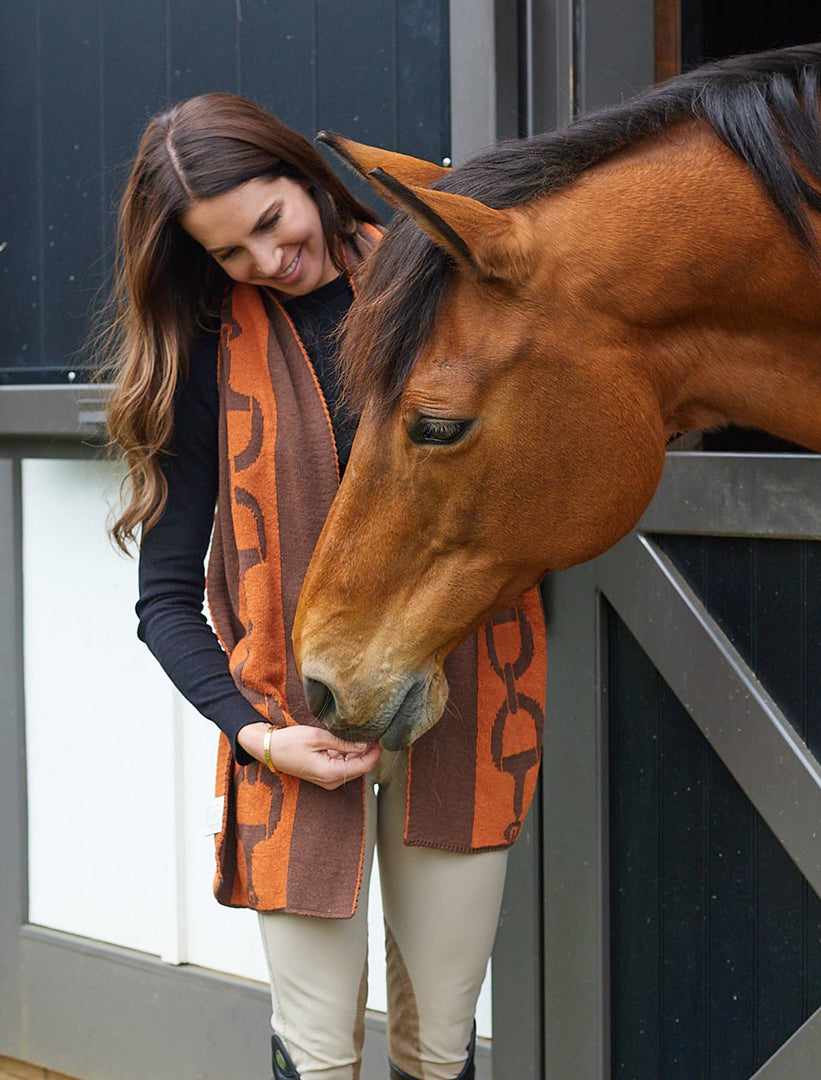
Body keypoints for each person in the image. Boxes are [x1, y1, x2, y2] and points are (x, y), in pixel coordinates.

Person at [100, 93, 545, 1080]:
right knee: (316, 1054)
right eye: (229, 252)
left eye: (271, 221)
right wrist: (260, 737)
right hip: (292, 733)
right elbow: (163, 603)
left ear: (303, 175)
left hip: (463, 710)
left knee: (441, 1044)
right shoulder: (207, 353)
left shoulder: (446, 292)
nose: (266, 260)